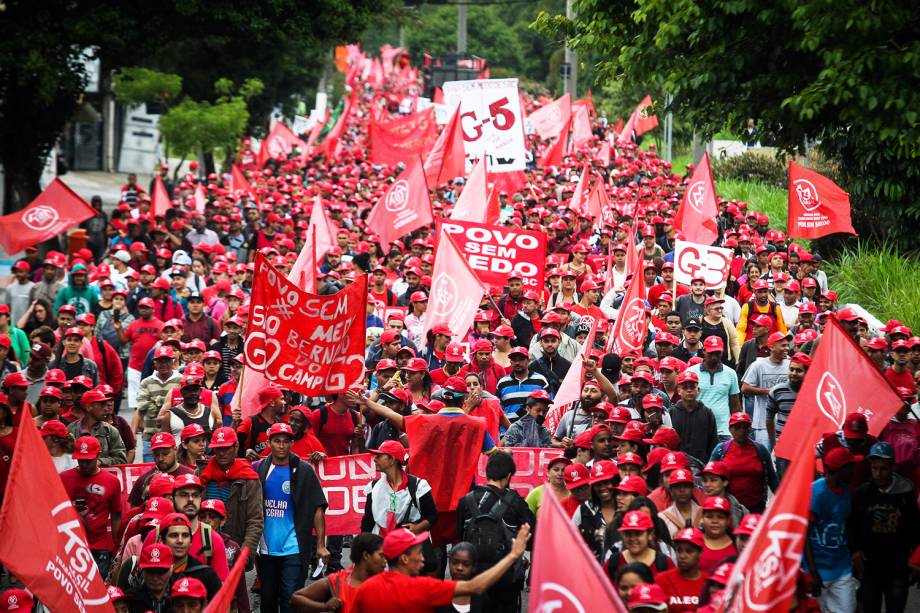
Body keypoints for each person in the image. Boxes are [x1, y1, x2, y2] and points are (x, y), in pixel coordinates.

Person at [350, 524, 531, 613]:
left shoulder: (367, 589)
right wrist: (513, 555)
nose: (423, 558)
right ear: (404, 558)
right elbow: (475, 586)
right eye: (418, 553)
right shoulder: (424, 588)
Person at [253, 422, 329, 613]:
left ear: (291, 443)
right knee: (268, 600)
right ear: (269, 442)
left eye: (285, 441)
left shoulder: (304, 471)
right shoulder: (259, 469)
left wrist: (320, 545)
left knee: (291, 599)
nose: (281, 445)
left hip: (294, 548)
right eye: (277, 441)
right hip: (266, 549)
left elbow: (317, 508)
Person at [456, 452, 534, 612]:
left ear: (488, 472)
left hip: (473, 576)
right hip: (506, 578)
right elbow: (532, 539)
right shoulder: (516, 503)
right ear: (509, 475)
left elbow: (459, 538)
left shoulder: (466, 501)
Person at [847, 442, 919, 613]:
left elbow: (915, 527)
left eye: (883, 469)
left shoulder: (906, 492)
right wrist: (855, 550)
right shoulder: (863, 492)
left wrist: (915, 558)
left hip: (898, 566)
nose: (878, 474)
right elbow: (852, 524)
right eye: (874, 468)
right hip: (870, 566)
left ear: (892, 467)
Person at [805, 446, 860, 612]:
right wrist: (813, 573)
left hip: (842, 567)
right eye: (850, 467)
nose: (854, 471)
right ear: (840, 470)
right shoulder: (816, 492)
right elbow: (805, 536)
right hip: (817, 569)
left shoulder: (847, 492)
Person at [60, 436, 122, 577]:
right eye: (81, 460)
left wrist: (117, 545)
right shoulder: (63, 478)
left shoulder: (112, 482)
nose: (84, 464)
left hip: (100, 546)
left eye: (88, 461)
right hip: (70, 545)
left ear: (98, 456)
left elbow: (116, 515)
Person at [198, 426, 264, 553]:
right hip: (202, 547)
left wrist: (243, 555)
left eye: (226, 448)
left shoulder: (249, 479)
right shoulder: (202, 474)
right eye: (218, 448)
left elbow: (255, 521)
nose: (222, 453)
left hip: (234, 548)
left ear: (236, 447)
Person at [291, 533, 386, 612]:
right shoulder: (337, 582)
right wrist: (324, 607)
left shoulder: (387, 583)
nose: (385, 561)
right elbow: (296, 599)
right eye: (381, 555)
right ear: (366, 555)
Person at [709, 413, 776, 513]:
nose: (741, 431)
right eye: (737, 428)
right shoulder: (720, 450)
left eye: (745, 427)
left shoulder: (760, 450)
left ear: (750, 429)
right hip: (728, 509)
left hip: (756, 509)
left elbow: (773, 479)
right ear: (730, 429)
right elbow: (709, 477)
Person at [740, 331, 790, 449]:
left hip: (786, 424)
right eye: (783, 345)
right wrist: (769, 391)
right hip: (762, 424)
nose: (787, 348)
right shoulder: (759, 365)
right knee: (765, 461)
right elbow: (745, 388)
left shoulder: (790, 365)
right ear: (772, 347)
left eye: (787, 345)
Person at [687, 336, 741, 441]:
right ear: (704, 351)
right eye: (711, 353)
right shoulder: (691, 373)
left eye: (717, 353)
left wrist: (736, 429)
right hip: (697, 430)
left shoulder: (730, 373)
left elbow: (735, 405)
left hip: (723, 432)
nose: (714, 356)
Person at [766, 352, 810, 478]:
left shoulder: (813, 392)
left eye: (799, 371)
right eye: (791, 369)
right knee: (783, 486)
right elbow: (769, 419)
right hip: (784, 448)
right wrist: (774, 444)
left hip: (806, 449)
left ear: (807, 372)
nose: (794, 373)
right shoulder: (777, 391)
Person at [158, 512, 222, 599]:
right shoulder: (151, 572)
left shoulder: (206, 575)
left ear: (191, 542)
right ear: (161, 540)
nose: (180, 540)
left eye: (185, 535)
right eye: (174, 535)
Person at [134, 344, 181, 462]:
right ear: (155, 363)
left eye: (166, 360)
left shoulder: (182, 381)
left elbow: (181, 408)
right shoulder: (146, 382)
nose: (163, 364)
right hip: (150, 437)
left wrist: (155, 401)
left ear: (173, 362)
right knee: (150, 474)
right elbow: (143, 406)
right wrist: (167, 403)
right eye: (160, 361)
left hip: (176, 438)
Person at [127, 431, 195, 507]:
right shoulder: (144, 480)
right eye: (156, 454)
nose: (160, 458)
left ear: (175, 450)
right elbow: (134, 511)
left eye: (165, 453)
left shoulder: (190, 476)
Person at [668, 371, 719, 464]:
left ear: (698, 390)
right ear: (679, 390)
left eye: (692, 387)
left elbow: (713, 441)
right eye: (685, 387)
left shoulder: (707, 413)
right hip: (677, 464)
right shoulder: (671, 412)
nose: (689, 390)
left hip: (701, 464)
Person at [66, 388, 127, 465]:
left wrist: (101, 461)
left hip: (102, 475)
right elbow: (65, 457)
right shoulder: (71, 429)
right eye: (101, 405)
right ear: (88, 407)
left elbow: (121, 459)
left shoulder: (110, 431)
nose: (106, 408)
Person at [655, 527, 707, 613]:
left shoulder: (708, 583)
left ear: (700, 553)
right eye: (679, 551)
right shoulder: (661, 580)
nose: (682, 556)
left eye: (689, 551)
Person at [495, 346, 549, 424]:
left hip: (534, 431)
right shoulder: (502, 383)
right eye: (514, 360)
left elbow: (548, 408)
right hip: (508, 432)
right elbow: (498, 410)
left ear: (528, 360)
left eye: (521, 359)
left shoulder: (541, 380)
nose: (517, 363)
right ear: (510, 362)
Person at [124, 543, 174, 613]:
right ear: (142, 571)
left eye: (161, 572)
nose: (155, 578)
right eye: (150, 571)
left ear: (171, 570)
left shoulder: (182, 598)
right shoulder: (130, 599)